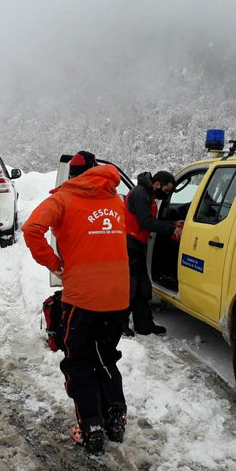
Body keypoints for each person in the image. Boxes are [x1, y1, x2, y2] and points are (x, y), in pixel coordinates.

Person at [22, 151, 130, 455]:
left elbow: (31, 229)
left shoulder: (62, 199)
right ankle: (115, 419)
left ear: (71, 175)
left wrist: (55, 264)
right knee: (106, 357)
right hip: (119, 296)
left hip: (83, 298)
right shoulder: (115, 200)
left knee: (79, 362)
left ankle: (91, 427)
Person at [124, 170, 179, 336]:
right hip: (130, 245)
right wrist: (171, 229)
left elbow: (149, 219)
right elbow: (145, 221)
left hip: (137, 245)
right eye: (166, 190)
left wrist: (173, 223)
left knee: (142, 287)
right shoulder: (141, 194)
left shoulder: (148, 193)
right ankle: (120, 325)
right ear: (157, 184)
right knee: (131, 288)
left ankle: (144, 325)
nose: (166, 194)